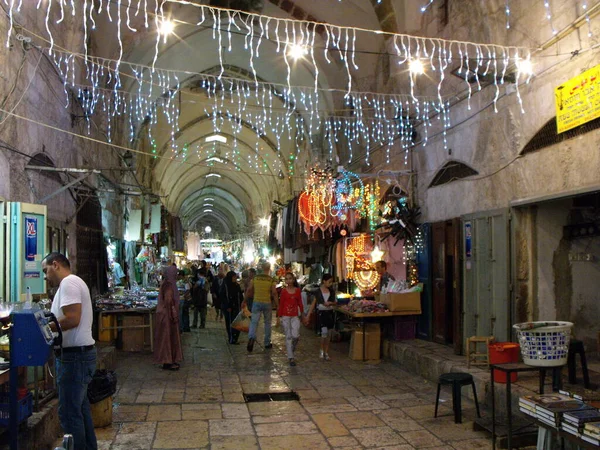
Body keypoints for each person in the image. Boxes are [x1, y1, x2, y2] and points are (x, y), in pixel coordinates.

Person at [42, 252, 98, 450]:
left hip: (75, 358)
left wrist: (46, 327)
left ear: (55, 265)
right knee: (79, 410)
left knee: (69, 412)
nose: (45, 276)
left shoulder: (69, 283)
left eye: (45, 270)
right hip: (78, 356)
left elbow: (72, 318)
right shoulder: (71, 284)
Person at [154, 264, 183, 370]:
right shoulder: (169, 285)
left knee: (167, 339)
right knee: (167, 339)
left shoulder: (166, 284)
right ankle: (168, 361)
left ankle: (168, 360)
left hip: (165, 315)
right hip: (167, 317)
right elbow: (168, 300)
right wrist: (173, 313)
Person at [246, 262, 278, 352]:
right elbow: (274, 293)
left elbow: (249, 290)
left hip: (256, 302)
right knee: (267, 323)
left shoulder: (255, 278)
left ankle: (251, 337)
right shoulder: (271, 280)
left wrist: (244, 300)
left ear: (262, 268)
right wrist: (278, 305)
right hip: (267, 303)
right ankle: (267, 342)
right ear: (269, 269)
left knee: (254, 322)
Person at [304, 274, 336, 361]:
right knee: (324, 333)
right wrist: (308, 315)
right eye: (329, 282)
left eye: (331, 282)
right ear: (324, 281)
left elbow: (334, 302)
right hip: (322, 313)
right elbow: (314, 303)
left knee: (328, 334)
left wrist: (330, 303)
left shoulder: (331, 291)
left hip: (330, 313)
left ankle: (326, 351)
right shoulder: (318, 291)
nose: (330, 284)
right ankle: (322, 349)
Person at [278, 272, 303, 366]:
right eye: (287, 279)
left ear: (293, 279)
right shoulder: (283, 291)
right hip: (285, 315)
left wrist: (303, 313)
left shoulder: (297, 290)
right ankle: (291, 357)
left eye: (290, 278)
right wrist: (279, 316)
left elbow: (300, 302)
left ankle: (291, 349)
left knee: (296, 335)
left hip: (295, 315)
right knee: (288, 336)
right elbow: (281, 304)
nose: (288, 280)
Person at [222, 271, 243, 344]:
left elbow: (239, 295)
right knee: (230, 323)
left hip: (237, 307)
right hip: (229, 308)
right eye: (233, 277)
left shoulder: (236, 285)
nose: (235, 278)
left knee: (237, 323)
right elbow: (224, 297)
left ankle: (235, 338)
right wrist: (228, 306)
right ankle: (231, 338)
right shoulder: (225, 286)